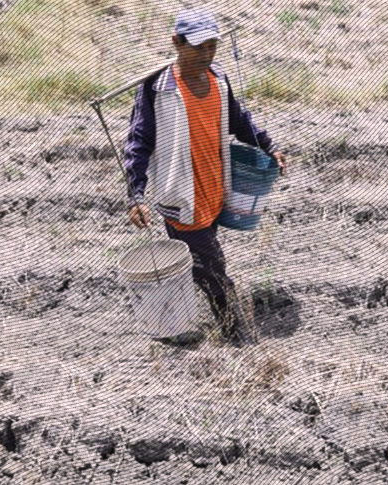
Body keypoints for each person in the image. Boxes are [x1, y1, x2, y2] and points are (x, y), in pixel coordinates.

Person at [123, 8, 287, 347]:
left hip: (214, 193)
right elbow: (138, 143)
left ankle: (184, 312)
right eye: (198, 47)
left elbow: (239, 120)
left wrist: (269, 145)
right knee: (214, 271)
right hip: (182, 199)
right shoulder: (158, 89)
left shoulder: (218, 80)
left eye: (212, 46)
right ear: (176, 43)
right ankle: (234, 334)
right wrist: (136, 194)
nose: (206, 54)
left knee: (199, 262)